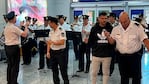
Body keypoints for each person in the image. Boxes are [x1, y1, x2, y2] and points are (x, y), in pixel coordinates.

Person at [104, 11, 149, 84]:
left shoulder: (137, 27)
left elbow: (145, 40)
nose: (123, 24)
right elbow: (112, 42)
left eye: (125, 22)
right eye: (121, 22)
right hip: (122, 57)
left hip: (135, 57)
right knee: (124, 77)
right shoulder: (116, 29)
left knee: (136, 77)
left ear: (129, 19)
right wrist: (108, 37)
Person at [4, 11, 29, 84]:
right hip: (14, 48)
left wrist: (21, 26)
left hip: (7, 48)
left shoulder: (7, 26)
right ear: (12, 19)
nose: (16, 18)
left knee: (10, 65)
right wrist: (26, 26)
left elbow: (16, 30)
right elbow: (24, 34)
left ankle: (9, 81)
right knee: (15, 66)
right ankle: (13, 82)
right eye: (15, 17)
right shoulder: (13, 27)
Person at [88, 12, 113, 84]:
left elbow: (113, 41)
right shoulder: (94, 28)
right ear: (98, 19)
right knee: (94, 72)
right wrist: (94, 49)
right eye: (102, 18)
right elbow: (91, 41)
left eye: (105, 18)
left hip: (107, 55)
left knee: (106, 73)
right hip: (96, 54)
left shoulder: (111, 28)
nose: (104, 20)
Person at [46, 16, 69, 84]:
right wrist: (48, 52)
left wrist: (53, 42)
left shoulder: (61, 30)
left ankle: (66, 82)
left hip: (61, 53)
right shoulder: (51, 31)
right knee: (54, 70)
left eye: (49, 23)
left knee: (63, 70)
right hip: (53, 52)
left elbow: (62, 42)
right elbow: (48, 42)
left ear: (53, 23)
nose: (49, 24)